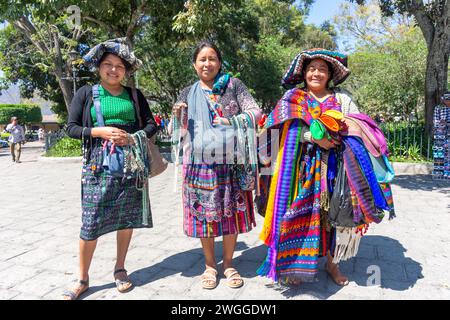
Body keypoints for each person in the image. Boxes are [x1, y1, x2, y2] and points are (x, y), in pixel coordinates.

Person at [257, 48, 394, 287]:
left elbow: (357, 127)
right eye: (312, 69)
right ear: (304, 73)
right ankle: (294, 264)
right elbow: (275, 128)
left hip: (336, 168)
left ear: (330, 74)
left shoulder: (342, 99)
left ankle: (332, 263)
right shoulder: (293, 98)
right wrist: (312, 136)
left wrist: (336, 136)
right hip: (298, 170)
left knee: (335, 215)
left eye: (322, 69)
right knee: (295, 213)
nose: (316, 73)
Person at [64, 38, 158, 300]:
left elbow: (151, 125)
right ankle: (82, 278)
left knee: (126, 218)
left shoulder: (134, 95)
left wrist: (132, 137)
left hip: (132, 165)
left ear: (125, 70)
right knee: (91, 221)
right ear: (99, 67)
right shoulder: (86, 93)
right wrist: (98, 131)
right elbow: (70, 127)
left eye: (119, 66)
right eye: (108, 64)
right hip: (97, 166)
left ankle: (120, 269)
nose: (113, 70)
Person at [169, 41, 262, 289]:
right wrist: (177, 114)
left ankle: (229, 263)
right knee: (204, 215)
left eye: (212, 58)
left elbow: (255, 111)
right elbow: (177, 128)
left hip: (231, 160)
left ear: (219, 62)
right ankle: (210, 265)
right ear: (194, 64)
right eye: (202, 59)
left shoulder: (233, 85)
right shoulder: (188, 92)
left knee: (231, 213)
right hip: (199, 163)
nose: (207, 63)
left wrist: (231, 122)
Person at [432, 91, 450, 179]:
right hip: (440, 134)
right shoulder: (438, 108)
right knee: (440, 153)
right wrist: (441, 123)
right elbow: (435, 121)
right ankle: (439, 172)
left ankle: (448, 172)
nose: (448, 102)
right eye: (446, 100)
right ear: (443, 100)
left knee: (448, 154)